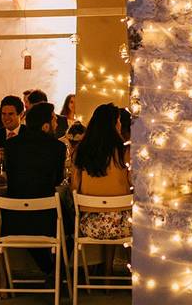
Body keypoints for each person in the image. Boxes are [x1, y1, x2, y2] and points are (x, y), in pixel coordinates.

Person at [3, 102, 67, 273]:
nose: (56, 123)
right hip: (46, 219)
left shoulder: (11, 145)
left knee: (32, 225)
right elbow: (58, 179)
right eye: (54, 120)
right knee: (68, 220)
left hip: (13, 219)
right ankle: (61, 272)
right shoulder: (58, 147)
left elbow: (10, 175)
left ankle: (52, 271)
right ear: (45, 126)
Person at [72, 103, 132, 275]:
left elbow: (74, 188)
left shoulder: (80, 151)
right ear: (114, 125)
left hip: (91, 226)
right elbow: (132, 183)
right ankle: (134, 273)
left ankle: (106, 274)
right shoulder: (125, 153)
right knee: (131, 219)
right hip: (123, 226)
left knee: (111, 213)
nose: (120, 125)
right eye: (119, 122)